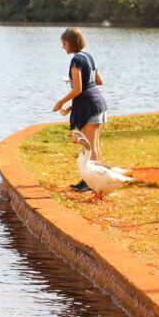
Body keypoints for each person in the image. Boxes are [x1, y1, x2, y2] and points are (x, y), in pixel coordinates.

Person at [52, 27, 107, 193]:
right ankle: (89, 181)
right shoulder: (88, 57)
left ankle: (91, 183)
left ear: (71, 43)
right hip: (96, 102)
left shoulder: (76, 60)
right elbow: (98, 81)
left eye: (64, 43)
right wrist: (72, 104)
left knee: (88, 147)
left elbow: (78, 89)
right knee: (93, 145)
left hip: (89, 106)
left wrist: (60, 103)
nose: (63, 47)